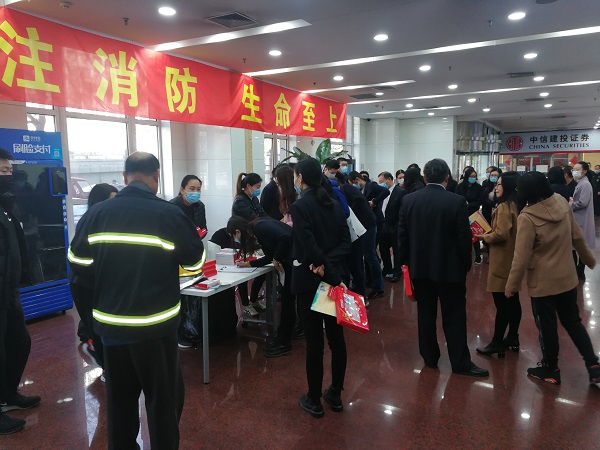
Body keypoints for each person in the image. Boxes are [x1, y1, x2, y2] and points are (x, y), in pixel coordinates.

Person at [68, 152, 205, 449]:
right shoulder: (169, 214)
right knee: (162, 401)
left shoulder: (96, 214)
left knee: (119, 401)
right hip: (155, 327)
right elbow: (194, 263)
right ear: (156, 176)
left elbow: (78, 266)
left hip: (111, 328)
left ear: (124, 176)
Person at [504, 171, 599, 386]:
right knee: (573, 322)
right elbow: (576, 236)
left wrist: (512, 285)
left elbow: (521, 257)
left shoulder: (527, 217)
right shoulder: (561, 202)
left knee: (547, 327)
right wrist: (588, 260)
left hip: (543, 283)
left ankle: (550, 368)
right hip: (567, 278)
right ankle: (593, 365)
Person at [398, 158, 488, 377]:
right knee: (454, 317)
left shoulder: (409, 200)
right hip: (450, 271)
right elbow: (463, 239)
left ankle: (430, 358)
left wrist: (406, 265)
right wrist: (466, 265)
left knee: (425, 315)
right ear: (447, 177)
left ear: (425, 177)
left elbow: (402, 237)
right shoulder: (457, 201)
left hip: (420, 270)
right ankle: (460, 363)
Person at [291, 157, 351, 418]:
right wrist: (331, 268)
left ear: (301, 178)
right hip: (332, 278)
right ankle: (335, 393)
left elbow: (309, 245)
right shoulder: (334, 203)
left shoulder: (300, 206)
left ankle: (314, 398)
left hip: (311, 281)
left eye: (295, 175)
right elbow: (346, 243)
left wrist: (322, 266)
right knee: (336, 339)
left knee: (314, 342)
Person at [0, 148, 41, 435]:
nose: (9, 176)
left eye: (9, 171)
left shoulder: (7, 206)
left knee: (18, 342)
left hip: (9, 291)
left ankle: (8, 394)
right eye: (3, 171)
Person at [229, 216, 295, 357]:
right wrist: (248, 264)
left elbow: (285, 238)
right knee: (287, 303)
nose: (236, 239)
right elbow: (269, 257)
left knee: (288, 303)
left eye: (233, 235)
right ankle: (282, 338)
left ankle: (285, 343)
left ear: (238, 232)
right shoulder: (258, 231)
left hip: (293, 263)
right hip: (289, 263)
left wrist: (277, 257)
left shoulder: (260, 226)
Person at [71, 183, 118, 375]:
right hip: (85, 285)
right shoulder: (90, 220)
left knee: (107, 328)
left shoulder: (114, 222)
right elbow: (77, 260)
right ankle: (107, 369)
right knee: (97, 328)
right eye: (111, 200)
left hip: (103, 284)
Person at [474, 172, 522, 357]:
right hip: (512, 257)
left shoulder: (503, 207)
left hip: (502, 259)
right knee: (513, 301)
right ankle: (513, 337)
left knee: (502, 303)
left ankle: (497, 342)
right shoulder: (515, 204)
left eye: (500, 184)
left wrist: (484, 236)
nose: (496, 187)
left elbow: (501, 233)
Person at [341, 172, 382, 300]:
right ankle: (370, 282)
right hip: (366, 224)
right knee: (367, 256)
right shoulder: (347, 189)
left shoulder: (344, 188)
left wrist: (350, 212)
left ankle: (378, 287)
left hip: (367, 224)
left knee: (370, 255)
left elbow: (358, 200)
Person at [375, 171, 406, 283]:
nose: (381, 184)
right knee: (383, 249)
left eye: (382, 181)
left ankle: (397, 271)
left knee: (396, 250)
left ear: (389, 179)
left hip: (395, 225)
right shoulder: (381, 192)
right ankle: (387, 268)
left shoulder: (400, 192)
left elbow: (402, 210)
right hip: (382, 224)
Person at [570, 162, 596, 280]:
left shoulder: (585, 184)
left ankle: (580, 271)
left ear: (584, 171)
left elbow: (583, 202)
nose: (574, 171)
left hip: (581, 218)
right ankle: (578, 270)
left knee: (579, 246)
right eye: (573, 169)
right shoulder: (581, 183)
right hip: (579, 218)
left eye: (577, 169)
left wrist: (570, 204)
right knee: (577, 246)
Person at [456, 168, 484, 264]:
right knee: (463, 234)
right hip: (462, 213)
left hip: (473, 213)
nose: (473, 178)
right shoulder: (460, 187)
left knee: (475, 235)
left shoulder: (478, 187)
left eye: (474, 177)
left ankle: (478, 255)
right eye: (471, 176)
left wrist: (470, 205)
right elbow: (457, 197)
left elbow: (480, 200)